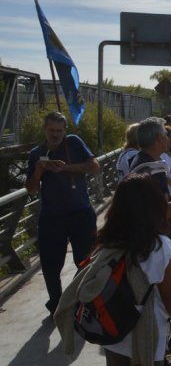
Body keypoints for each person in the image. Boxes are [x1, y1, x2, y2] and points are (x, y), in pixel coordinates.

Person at [54, 174, 171, 366]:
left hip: (113, 336)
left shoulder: (108, 241)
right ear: (153, 208)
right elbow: (170, 297)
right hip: (146, 338)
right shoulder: (158, 247)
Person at [25, 111, 100, 315]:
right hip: (51, 216)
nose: (55, 134)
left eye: (59, 130)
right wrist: (40, 170)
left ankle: (83, 300)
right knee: (50, 264)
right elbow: (31, 189)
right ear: (45, 130)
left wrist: (67, 168)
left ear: (65, 130)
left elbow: (94, 166)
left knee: (86, 260)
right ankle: (57, 305)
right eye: (51, 130)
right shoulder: (36, 153)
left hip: (80, 213)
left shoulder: (73, 142)